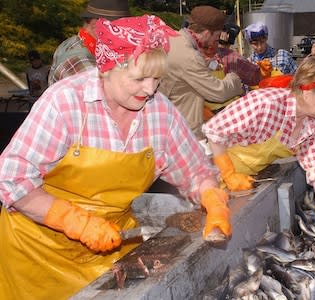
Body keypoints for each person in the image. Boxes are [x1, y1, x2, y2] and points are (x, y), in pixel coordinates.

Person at [0, 15, 231, 299]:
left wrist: (212, 198)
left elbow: (195, 171)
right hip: (35, 254)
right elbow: (12, 178)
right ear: (106, 69)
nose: (149, 90)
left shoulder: (160, 112)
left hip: (111, 249)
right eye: (139, 78)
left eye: (157, 79)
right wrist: (74, 220)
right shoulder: (65, 103)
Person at [203, 55, 315, 238]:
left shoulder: (314, 125)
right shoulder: (265, 103)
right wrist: (228, 173)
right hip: (209, 172)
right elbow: (214, 131)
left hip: (246, 180)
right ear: (306, 90)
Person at [158, 5, 244, 138]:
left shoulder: (175, 38)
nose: (218, 38)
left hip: (168, 120)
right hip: (182, 131)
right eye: (217, 34)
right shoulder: (189, 56)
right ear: (206, 33)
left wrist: (204, 65)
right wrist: (235, 79)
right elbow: (218, 92)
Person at [48, 0, 131, 85]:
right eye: (118, 28)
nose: (123, 33)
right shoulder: (80, 60)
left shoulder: (71, 43)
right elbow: (109, 92)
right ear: (96, 24)